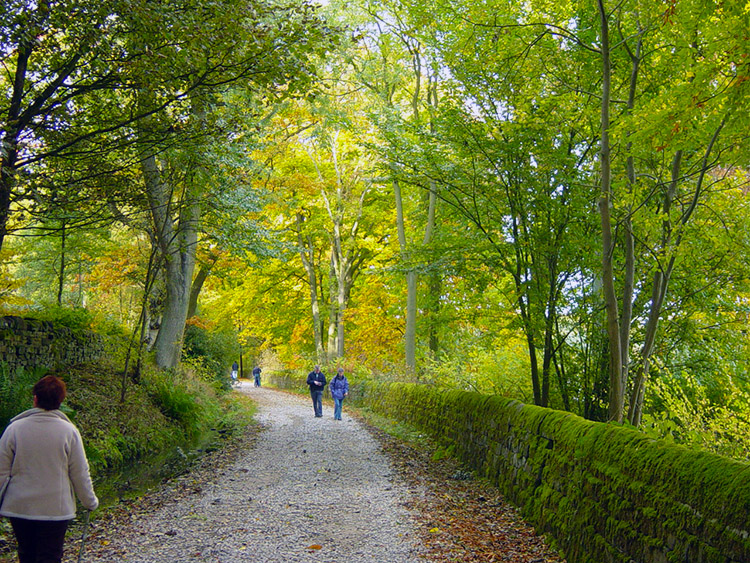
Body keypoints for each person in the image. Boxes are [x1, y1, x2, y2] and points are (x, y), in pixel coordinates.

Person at [0, 375, 99, 563]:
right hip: (56, 510)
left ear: (35, 399)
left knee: (26, 554)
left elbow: (1, 472)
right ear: (60, 401)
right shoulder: (69, 432)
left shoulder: (14, 429)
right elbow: (79, 472)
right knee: (50, 556)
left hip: (20, 508)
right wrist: (89, 502)